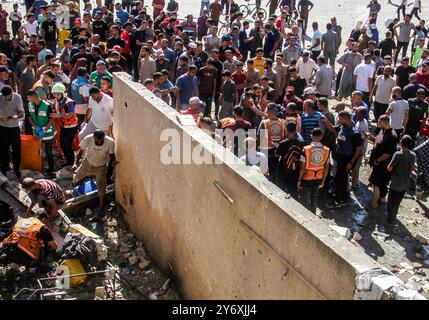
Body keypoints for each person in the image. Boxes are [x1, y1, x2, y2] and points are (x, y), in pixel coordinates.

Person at [323, 111, 363, 208]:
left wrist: (351, 163)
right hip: (340, 158)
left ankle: (340, 200)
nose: (339, 121)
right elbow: (332, 129)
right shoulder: (342, 127)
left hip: (347, 159)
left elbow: (358, 150)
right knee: (338, 178)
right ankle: (339, 195)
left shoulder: (355, 133)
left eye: (340, 119)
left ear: (345, 119)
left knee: (341, 180)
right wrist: (326, 122)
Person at [73, 130, 116, 212]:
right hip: (88, 162)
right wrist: (75, 163)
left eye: (101, 141)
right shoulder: (88, 138)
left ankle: (100, 206)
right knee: (77, 177)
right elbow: (80, 151)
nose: (99, 142)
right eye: (97, 140)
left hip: (101, 166)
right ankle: (74, 192)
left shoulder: (110, 142)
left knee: (101, 187)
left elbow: (111, 155)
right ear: (94, 137)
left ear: (104, 138)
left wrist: (113, 163)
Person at [366, 115, 398, 209]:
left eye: (379, 122)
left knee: (376, 184)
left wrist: (377, 160)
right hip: (379, 164)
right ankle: (382, 198)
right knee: (382, 183)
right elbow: (378, 141)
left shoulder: (392, 136)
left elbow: (387, 154)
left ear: (384, 123)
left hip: (382, 165)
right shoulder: (383, 130)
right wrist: (371, 138)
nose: (377, 124)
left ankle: (374, 203)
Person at [297, 127, 329, 214]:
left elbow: (302, 167)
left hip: (307, 178)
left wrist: (299, 180)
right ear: (321, 137)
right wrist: (323, 181)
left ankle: (305, 217)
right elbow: (326, 167)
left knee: (305, 199)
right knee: (314, 198)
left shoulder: (306, 149)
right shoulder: (326, 150)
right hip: (318, 178)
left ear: (311, 136)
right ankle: (313, 216)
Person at [386, 135, 416, 225]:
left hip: (395, 183)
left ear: (401, 142)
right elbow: (412, 168)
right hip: (405, 183)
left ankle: (390, 219)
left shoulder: (398, 154)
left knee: (391, 201)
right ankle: (394, 215)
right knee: (398, 201)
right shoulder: (413, 155)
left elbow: (389, 168)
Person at [27, 89, 56, 175]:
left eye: (28, 97)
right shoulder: (30, 105)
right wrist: (35, 127)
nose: (27, 99)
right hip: (37, 132)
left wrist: (44, 130)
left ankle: (51, 170)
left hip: (48, 133)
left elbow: (51, 119)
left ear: (34, 97)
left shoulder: (47, 106)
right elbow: (29, 117)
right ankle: (39, 167)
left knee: (48, 151)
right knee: (38, 150)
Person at [51, 82, 78, 167]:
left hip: (71, 127)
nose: (56, 96)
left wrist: (59, 115)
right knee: (63, 145)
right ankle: (68, 161)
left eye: (58, 94)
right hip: (63, 126)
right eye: (54, 94)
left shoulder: (69, 102)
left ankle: (71, 162)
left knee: (67, 145)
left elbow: (70, 114)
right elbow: (53, 109)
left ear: (62, 93)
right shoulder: (56, 101)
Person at [0, 85, 24, 178]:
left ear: (11, 93)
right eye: (4, 96)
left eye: (7, 96)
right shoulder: (0, 97)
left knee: (16, 149)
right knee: (3, 149)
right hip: (2, 127)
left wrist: (14, 117)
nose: (5, 98)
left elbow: (21, 113)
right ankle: (4, 168)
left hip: (14, 127)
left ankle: (17, 169)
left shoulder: (17, 97)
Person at [258, 103, 285, 176]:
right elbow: (284, 136)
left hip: (265, 150)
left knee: (263, 172)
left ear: (269, 111)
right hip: (277, 150)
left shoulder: (264, 122)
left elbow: (259, 136)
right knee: (273, 171)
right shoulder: (282, 122)